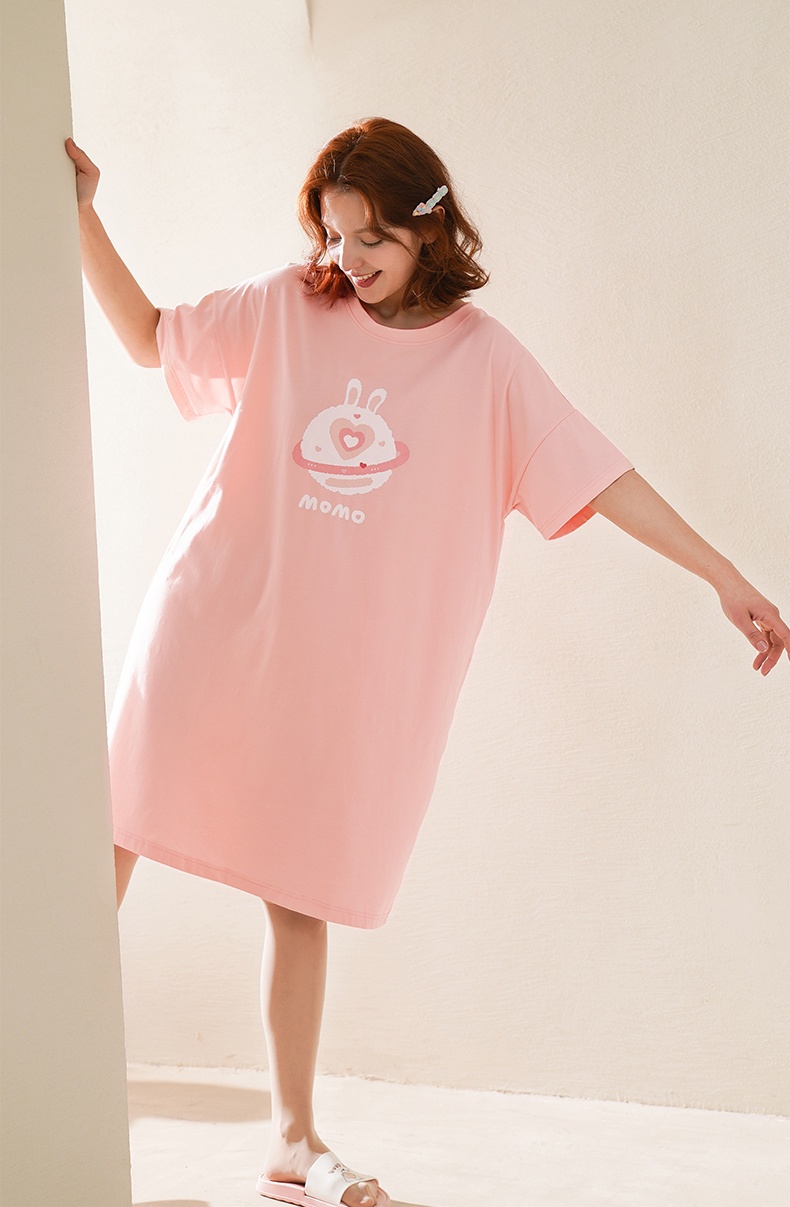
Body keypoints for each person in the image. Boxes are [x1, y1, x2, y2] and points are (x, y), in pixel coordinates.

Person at [66, 118, 787, 1207]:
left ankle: (293, 1140)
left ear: (429, 229)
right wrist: (82, 216)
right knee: (114, 832)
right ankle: (28, 1055)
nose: (347, 259)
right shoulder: (287, 305)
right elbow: (148, 337)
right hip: (208, 626)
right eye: (334, 234)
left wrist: (721, 573)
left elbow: (599, 476)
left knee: (297, 892)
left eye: (373, 239)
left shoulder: (485, 362)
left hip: (329, 679)